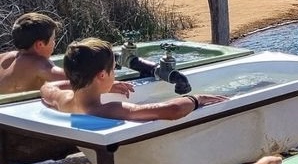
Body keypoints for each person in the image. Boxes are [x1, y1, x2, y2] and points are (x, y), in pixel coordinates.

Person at [40, 37, 226, 120]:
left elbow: (47, 87)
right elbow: (171, 110)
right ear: (102, 75)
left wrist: (99, 84)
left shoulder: (64, 100)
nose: (114, 75)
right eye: (113, 71)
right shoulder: (108, 109)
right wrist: (197, 99)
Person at [0, 12, 66, 93]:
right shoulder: (39, 63)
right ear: (40, 44)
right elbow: (76, 81)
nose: (54, 43)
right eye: (53, 39)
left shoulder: (2, 58)